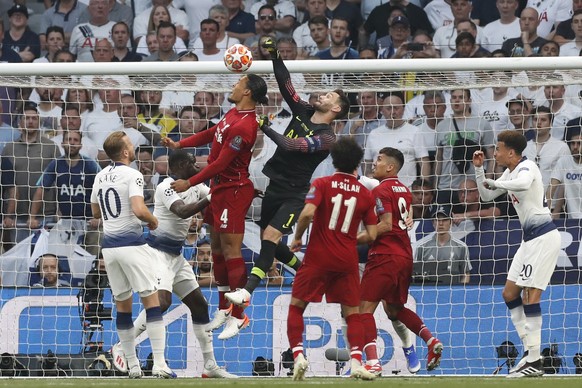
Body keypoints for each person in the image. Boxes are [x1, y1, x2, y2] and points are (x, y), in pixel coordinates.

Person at [225, 37, 350, 316]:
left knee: (269, 236)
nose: (324, 95)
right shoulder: (304, 111)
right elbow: (286, 85)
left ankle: (247, 291)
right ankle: (304, 270)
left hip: (294, 193)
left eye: (330, 96)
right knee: (272, 243)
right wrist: (274, 56)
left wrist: (266, 127)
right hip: (274, 184)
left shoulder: (327, 138)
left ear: (337, 109)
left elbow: (292, 145)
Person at [161, 73, 268, 340]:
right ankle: (224, 308)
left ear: (247, 92)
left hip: (233, 190)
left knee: (231, 250)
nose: (233, 85)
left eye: (238, 83)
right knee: (217, 248)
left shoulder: (246, 126)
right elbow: (212, 133)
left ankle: (239, 316)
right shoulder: (232, 114)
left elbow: (221, 163)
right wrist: (180, 143)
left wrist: (190, 182)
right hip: (220, 189)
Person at [110, 149, 236, 378]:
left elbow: (218, 195)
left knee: (199, 306)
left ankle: (209, 366)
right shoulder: (165, 186)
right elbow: (182, 211)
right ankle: (121, 345)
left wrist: (240, 192)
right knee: (162, 302)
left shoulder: (195, 186)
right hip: (156, 254)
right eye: (191, 163)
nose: (196, 167)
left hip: (176, 257)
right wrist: (211, 196)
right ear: (178, 166)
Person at [287, 137, 378, 381]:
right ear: (357, 164)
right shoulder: (365, 194)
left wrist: (297, 238)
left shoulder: (322, 183)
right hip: (346, 260)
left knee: (296, 307)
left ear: (334, 160)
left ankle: (298, 356)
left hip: (318, 257)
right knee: (352, 313)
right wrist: (348, 238)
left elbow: (307, 213)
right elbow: (371, 234)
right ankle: (358, 362)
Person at [473, 130, 560, 378]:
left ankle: (534, 359)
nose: (495, 153)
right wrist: (480, 171)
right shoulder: (510, 172)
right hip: (529, 240)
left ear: (511, 152)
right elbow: (486, 195)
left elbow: (521, 185)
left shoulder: (527, 167)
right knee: (510, 293)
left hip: (543, 237)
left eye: (498, 149)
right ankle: (530, 352)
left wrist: (497, 182)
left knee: (531, 296)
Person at [90, 131, 174, 378]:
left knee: (123, 307)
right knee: (152, 302)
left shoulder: (100, 176)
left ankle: (133, 367)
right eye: (130, 144)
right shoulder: (133, 175)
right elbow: (138, 209)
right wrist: (152, 219)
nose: (134, 147)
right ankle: (159, 363)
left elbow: (95, 212)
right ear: (125, 152)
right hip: (133, 246)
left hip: (109, 249)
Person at [359, 147, 442, 376]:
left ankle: (373, 363)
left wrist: (354, 238)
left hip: (384, 256)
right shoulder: (404, 190)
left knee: (362, 311)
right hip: (404, 256)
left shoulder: (382, 190)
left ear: (391, 167)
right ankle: (430, 339)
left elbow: (385, 225)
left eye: (379, 159)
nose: (374, 163)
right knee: (395, 309)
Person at [27, 129, 102, 256]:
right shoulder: (56, 164)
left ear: (80, 145)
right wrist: (32, 217)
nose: (72, 143)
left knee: (91, 260)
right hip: (66, 224)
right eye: (68, 139)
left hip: (91, 224)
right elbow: (41, 190)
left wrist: (99, 218)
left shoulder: (90, 164)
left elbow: (104, 192)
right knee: (64, 260)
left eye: (75, 140)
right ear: (62, 143)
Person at [413, 205, 472, 285]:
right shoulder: (422, 247)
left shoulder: (461, 246)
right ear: (433, 223)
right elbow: (417, 274)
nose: (440, 223)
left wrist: (460, 291)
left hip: (453, 290)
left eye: (444, 220)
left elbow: (465, 273)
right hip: (430, 290)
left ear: (450, 222)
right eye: (437, 220)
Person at [549, 125, 582, 219]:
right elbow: (553, 187)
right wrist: (552, 211)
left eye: (579, 143)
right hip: (573, 219)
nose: (575, 147)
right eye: (573, 143)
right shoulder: (564, 161)